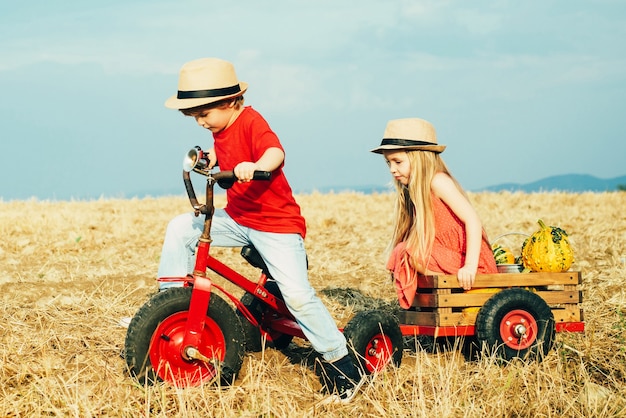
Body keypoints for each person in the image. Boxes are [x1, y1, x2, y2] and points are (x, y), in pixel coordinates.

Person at [158, 57, 361, 401]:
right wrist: (210, 158)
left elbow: (274, 151)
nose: (201, 122)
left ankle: (343, 364)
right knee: (181, 228)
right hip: (239, 220)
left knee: (297, 295)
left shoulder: (252, 120)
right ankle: (170, 308)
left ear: (228, 102)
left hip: (277, 226)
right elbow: (225, 151)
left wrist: (257, 166)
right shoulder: (220, 130)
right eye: (195, 117)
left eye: (204, 114)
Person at [370, 118, 497, 309]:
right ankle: (436, 297)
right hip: (444, 256)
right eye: (389, 163)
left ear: (419, 158)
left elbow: (472, 220)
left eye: (398, 162)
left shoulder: (438, 181)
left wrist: (469, 266)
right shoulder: (413, 190)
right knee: (401, 250)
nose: (393, 169)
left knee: (409, 250)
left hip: (466, 259)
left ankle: (451, 293)